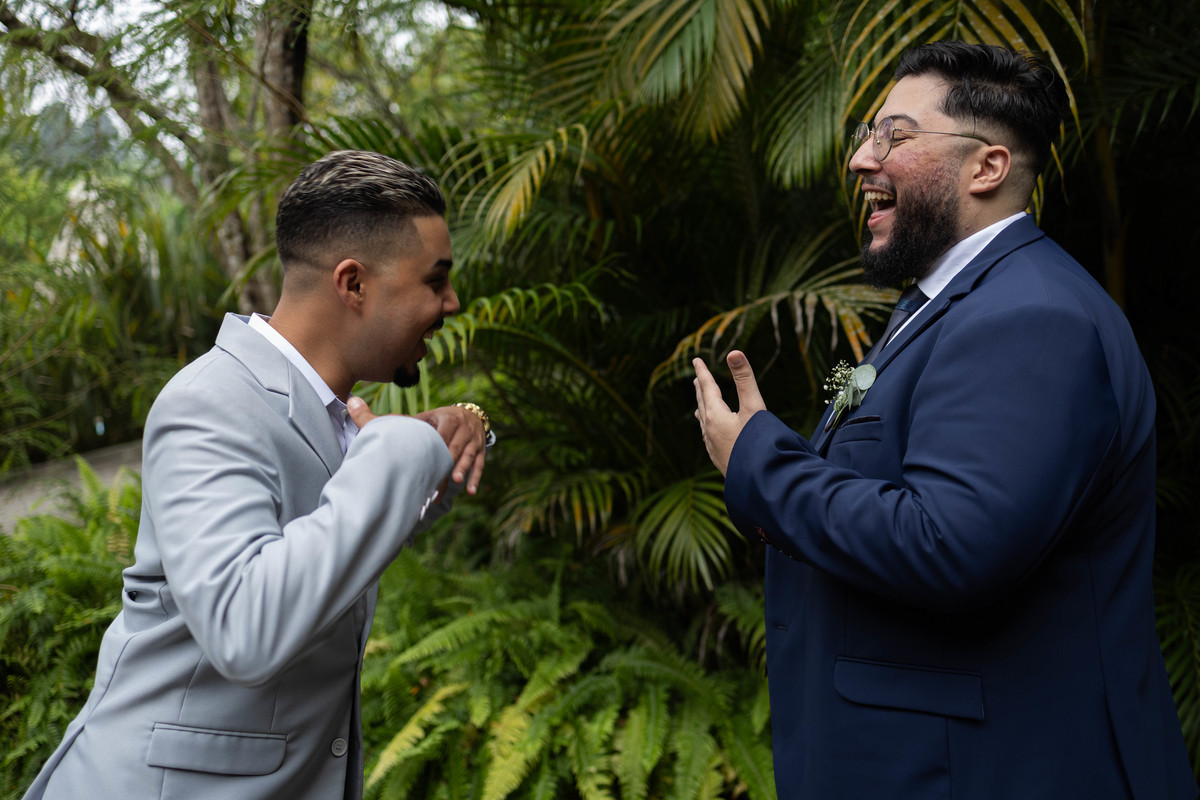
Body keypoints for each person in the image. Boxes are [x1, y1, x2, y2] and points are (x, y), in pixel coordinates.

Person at [693, 42, 1196, 799]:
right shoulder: (936, 308)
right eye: (866, 133)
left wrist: (758, 464)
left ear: (986, 168)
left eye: (894, 135)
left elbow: (949, 544)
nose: (861, 158)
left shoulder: (1032, 317)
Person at [23, 150, 493, 799]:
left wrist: (461, 426)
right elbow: (246, 628)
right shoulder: (209, 404)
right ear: (353, 284)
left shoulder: (332, 413)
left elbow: (349, 535)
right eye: (436, 281)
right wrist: (400, 447)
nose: (453, 302)